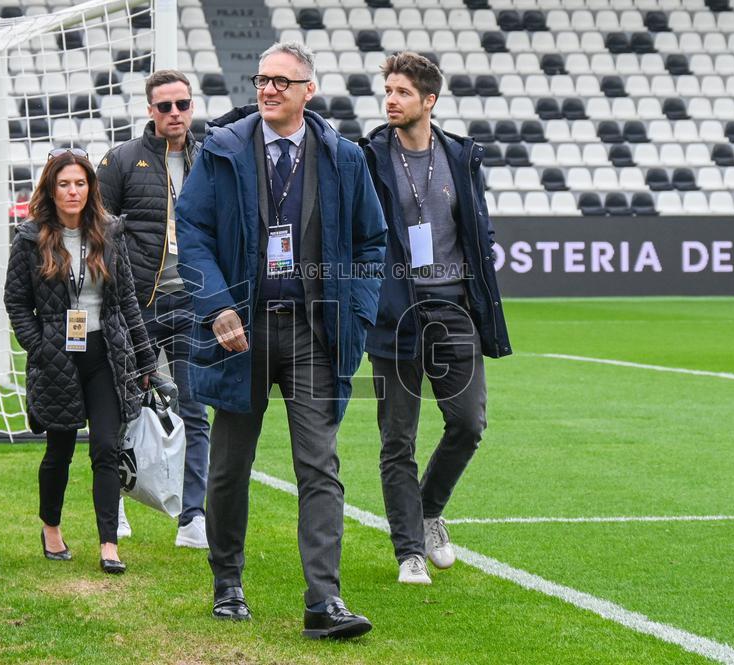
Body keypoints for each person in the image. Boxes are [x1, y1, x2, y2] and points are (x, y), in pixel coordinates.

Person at [175, 41, 387, 638]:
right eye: (261, 80)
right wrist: (216, 305)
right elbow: (190, 229)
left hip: (315, 333)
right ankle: (228, 583)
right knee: (230, 464)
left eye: (281, 82)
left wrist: (359, 313)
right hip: (239, 330)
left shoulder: (344, 158)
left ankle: (324, 601)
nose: (267, 90)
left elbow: (373, 243)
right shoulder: (222, 149)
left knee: (320, 464)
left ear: (307, 91)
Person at [360, 52, 512, 585]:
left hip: (455, 311)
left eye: (402, 92)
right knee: (397, 438)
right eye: (388, 91)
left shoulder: (461, 156)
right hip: (395, 315)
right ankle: (409, 551)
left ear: (429, 100)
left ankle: (427, 512)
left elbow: (480, 226)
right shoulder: (368, 156)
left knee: (469, 424)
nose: (391, 100)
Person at [4, 147, 157, 575]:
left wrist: (146, 361)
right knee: (60, 450)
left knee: (107, 449)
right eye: (63, 184)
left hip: (105, 355)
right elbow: (16, 302)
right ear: (51, 191)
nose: (73, 191)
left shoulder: (110, 232)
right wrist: (40, 346)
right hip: (56, 358)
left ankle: (108, 544)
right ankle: (51, 529)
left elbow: (126, 299)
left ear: (90, 187)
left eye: (80, 183)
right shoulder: (30, 238)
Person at [98, 69, 211, 549]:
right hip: (138, 306)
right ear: (150, 109)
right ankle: (117, 500)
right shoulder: (122, 160)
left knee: (196, 409)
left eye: (182, 104)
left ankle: (193, 516)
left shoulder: (210, 158)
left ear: (191, 106)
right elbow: (98, 232)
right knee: (123, 406)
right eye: (164, 106)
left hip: (192, 303)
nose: (174, 114)